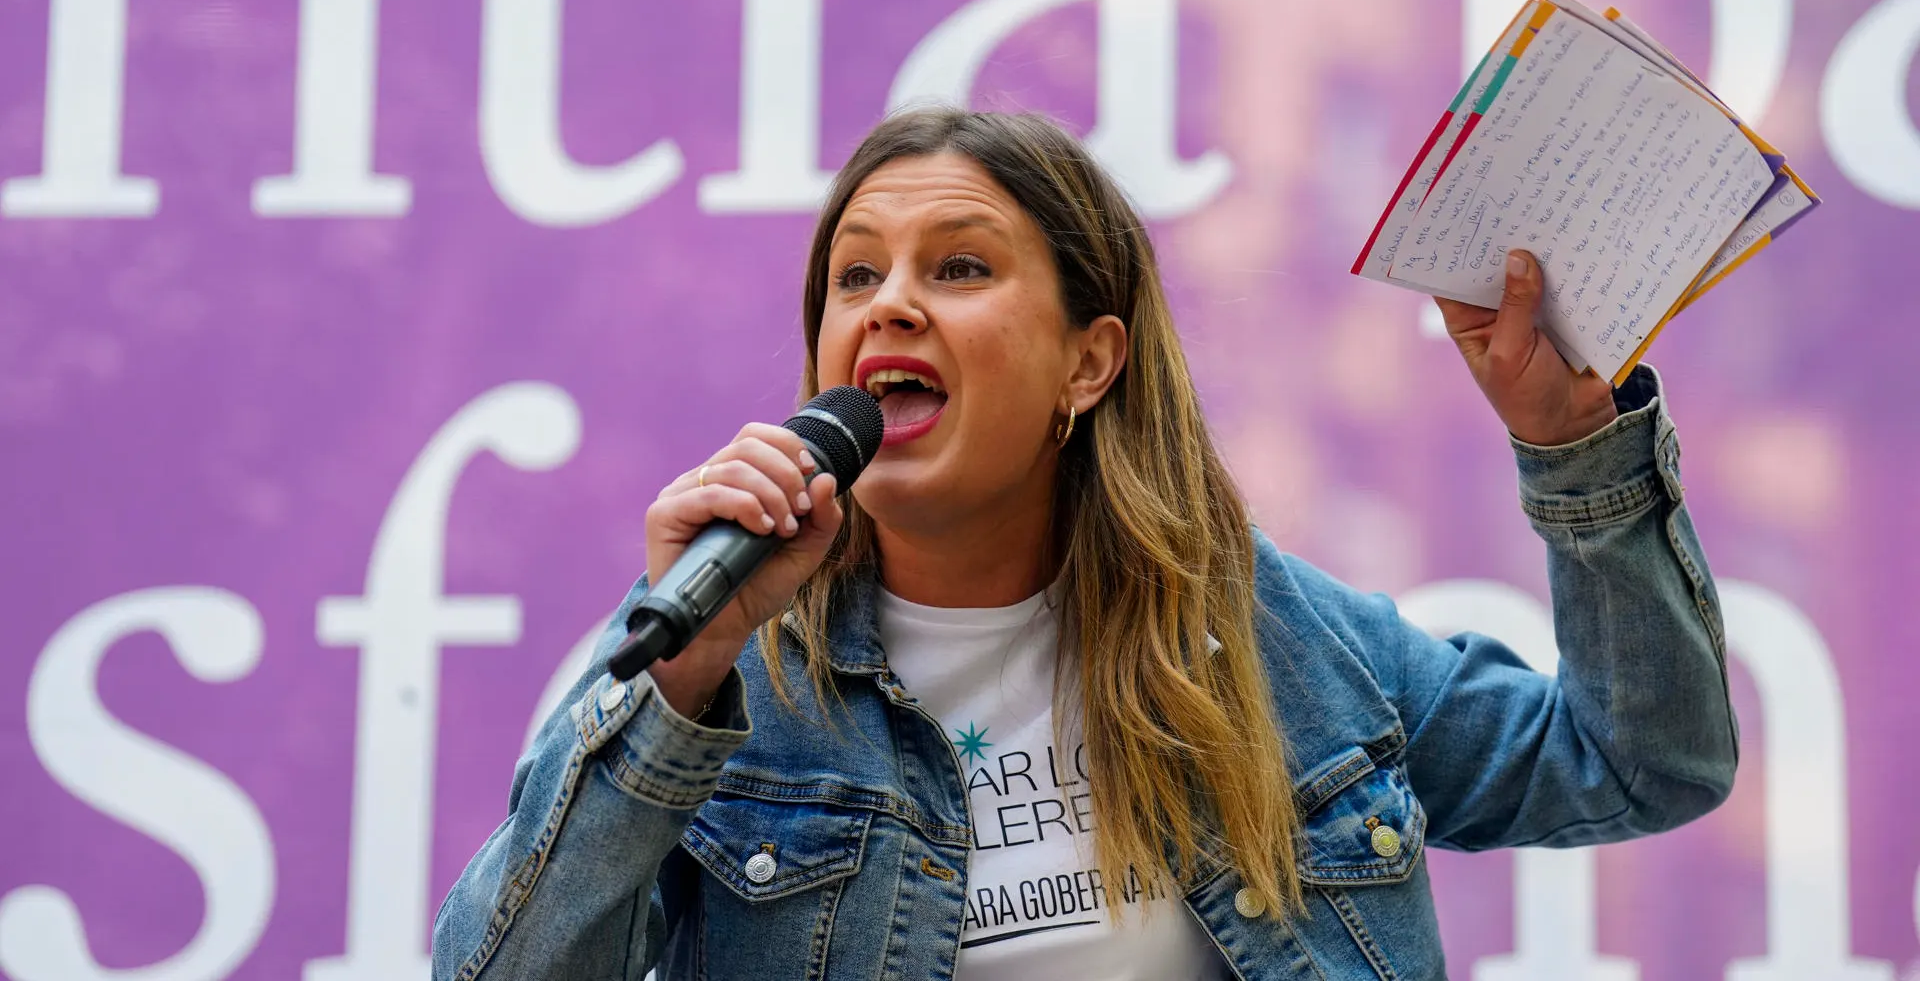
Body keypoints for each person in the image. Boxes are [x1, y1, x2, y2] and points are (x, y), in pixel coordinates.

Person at [430, 109, 1737, 980]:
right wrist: (675, 685)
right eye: (856, 276)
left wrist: (1578, 453)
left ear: (1089, 362)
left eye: (958, 269)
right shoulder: (715, 669)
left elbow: (1644, 762)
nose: (890, 305)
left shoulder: (1288, 650)